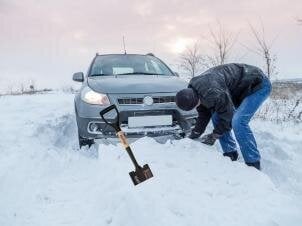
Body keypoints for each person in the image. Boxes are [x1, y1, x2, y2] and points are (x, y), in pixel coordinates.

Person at [176, 63, 272, 170]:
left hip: (258, 85)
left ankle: (253, 163)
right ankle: (230, 153)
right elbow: (204, 114)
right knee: (216, 117)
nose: (197, 107)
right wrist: (195, 133)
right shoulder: (194, 91)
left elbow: (228, 116)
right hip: (237, 90)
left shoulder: (212, 91)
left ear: (195, 100)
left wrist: (215, 135)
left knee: (238, 121)